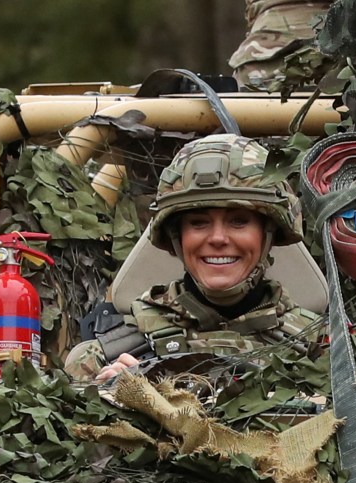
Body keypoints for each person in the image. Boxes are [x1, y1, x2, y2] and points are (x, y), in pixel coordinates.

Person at [64, 134, 321, 384]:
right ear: (176, 237)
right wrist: (113, 397)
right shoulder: (101, 359)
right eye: (199, 223)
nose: (218, 238)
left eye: (239, 221)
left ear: (269, 234)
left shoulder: (326, 352)